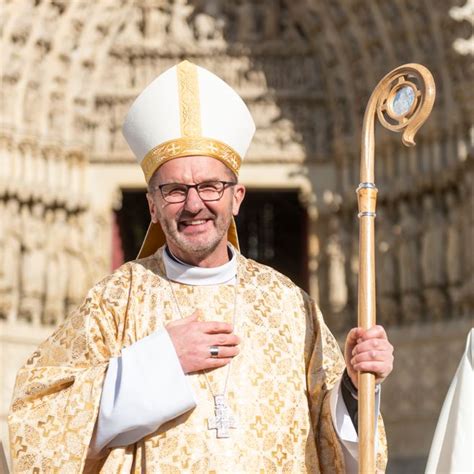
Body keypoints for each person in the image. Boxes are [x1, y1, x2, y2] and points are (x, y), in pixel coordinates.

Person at [9, 61, 393, 473]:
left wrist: (356, 385)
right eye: (175, 190)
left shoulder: (289, 304)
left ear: (237, 197)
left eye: (211, 186)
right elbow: (36, 425)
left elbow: (331, 441)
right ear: (152, 205)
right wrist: (160, 361)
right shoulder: (115, 299)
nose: (194, 204)